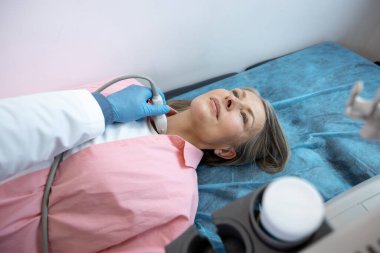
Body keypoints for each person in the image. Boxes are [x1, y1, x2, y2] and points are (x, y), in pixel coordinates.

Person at [0, 80, 289, 252]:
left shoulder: (177, 203)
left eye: (244, 116)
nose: (230, 100)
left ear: (226, 151)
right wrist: (104, 107)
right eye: (236, 94)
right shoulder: (125, 90)